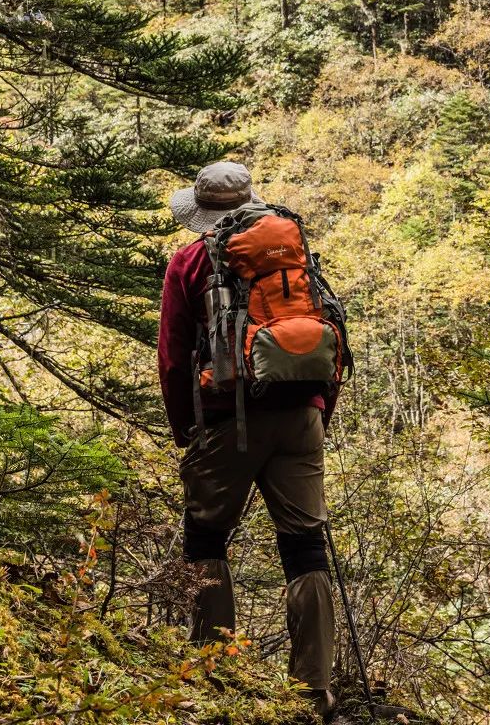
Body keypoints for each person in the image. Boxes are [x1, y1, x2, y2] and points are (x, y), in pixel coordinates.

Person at [158, 160, 338, 720]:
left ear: (202, 212)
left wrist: (185, 428)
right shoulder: (292, 251)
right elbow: (324, 330)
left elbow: (172, 356)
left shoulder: (190, 261)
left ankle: (217, 665)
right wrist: (317, 412)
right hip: (302, 414)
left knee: (206, 539)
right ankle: (313, 686)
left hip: (226, 420)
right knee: (305, 546)